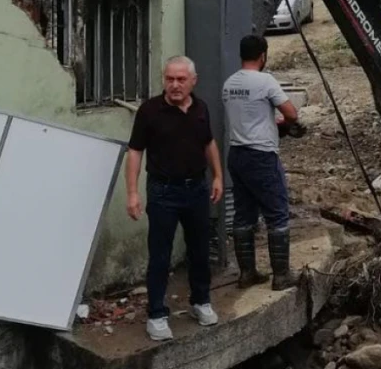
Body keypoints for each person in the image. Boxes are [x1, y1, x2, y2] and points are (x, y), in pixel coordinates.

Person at [125, 56, 224, 341]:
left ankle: (201, 302)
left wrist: (217, 176)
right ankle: (156, 314)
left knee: (200, 251)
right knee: (160, 255)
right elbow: (134, 152)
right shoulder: (149, 111)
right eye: (170, 79)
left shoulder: (201, 108)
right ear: (164, 80)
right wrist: (132, 193)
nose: (175, 85)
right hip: (163, 192)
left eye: (181, 79)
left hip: (196, 190)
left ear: (193, 81)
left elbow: (208, 143)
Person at [222, 35, 300, 291]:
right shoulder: (265, 81)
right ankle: (281, 276)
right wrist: (285, 125)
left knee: (244, 214)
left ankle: (247, 273)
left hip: (236, 154)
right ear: (262, 55)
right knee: (277, 212)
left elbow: (247, 114)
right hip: (262, 155)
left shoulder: (229, 84)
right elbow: (291, 113)